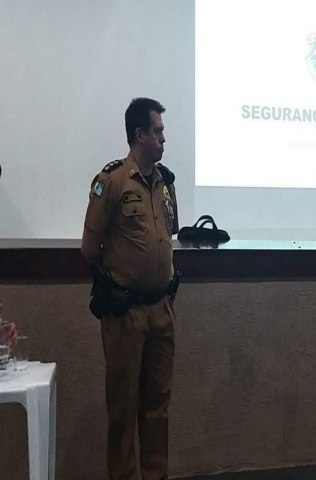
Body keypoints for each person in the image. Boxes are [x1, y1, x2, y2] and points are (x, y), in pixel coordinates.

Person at [81, 97, 179, 480]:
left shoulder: (165, 183)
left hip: (161, 311)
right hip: (126, 314)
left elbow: (165, 236)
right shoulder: (112, 181)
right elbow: (89, 250)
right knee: (123, 411)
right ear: (139, 134)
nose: (163, 139)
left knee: (157, 409)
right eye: (158, 131)